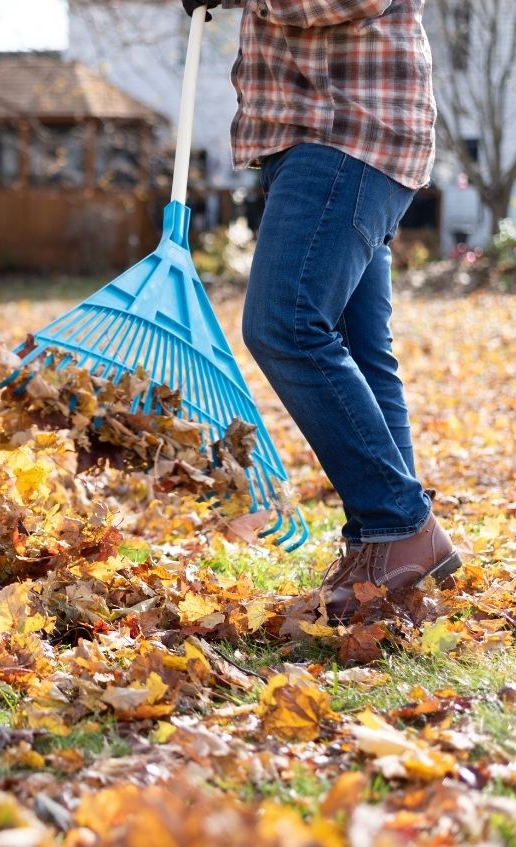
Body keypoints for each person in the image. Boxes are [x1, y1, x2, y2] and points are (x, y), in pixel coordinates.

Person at [180, 0, 460, 622]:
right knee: (361, 349)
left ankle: (399, 524)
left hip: (347, 129)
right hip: (317, 134)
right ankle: (385, 553)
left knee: (286, 324)